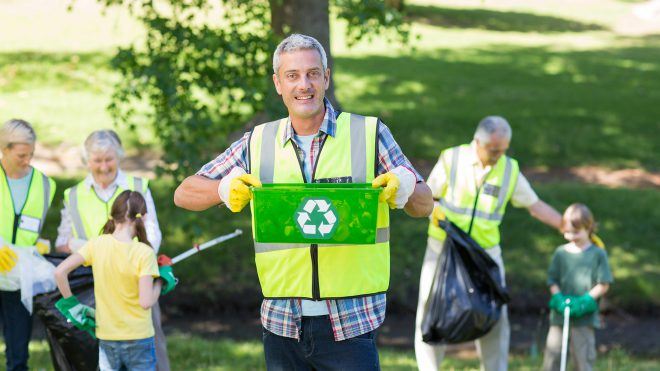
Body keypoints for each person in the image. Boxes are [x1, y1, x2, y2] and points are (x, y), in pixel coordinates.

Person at [174, 33, 433, 370]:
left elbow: (425, 205)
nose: (303, 85)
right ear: (277, 83)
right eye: (292, 76)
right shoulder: (258, 142)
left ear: (327, 77)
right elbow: (184, 193)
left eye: (312, 73)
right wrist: (222, 189)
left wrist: (406, 187)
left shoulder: (368, 134)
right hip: (282, 323)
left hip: (351, 323)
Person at [415, 116, 563, 371]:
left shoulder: (508, 169)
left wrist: (566, 225)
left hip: (485, 256)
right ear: (477, 142)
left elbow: (534, 205)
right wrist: (434, 212)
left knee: (495, 316)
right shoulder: (452, 159)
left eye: (503, 150)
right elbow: (428, 196)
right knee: (430, 309)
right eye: (494, 150)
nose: (498, 155)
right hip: (445, 250)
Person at [55, 130, 171, 370]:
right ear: (87, 161)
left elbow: (153, 230)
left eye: (109, 159)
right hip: (100, 283)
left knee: (153, 341)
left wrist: (138, 261)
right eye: (97, 161)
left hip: (139, 276)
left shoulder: (137, 185)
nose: (104, 167)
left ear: (119, 157)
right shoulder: (74, 195)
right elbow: (62, 241)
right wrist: (89, 249)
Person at [0, 119, 56, 371]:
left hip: (19, 279)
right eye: (21, 155)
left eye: (31, 154)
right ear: (5, 149)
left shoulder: (45, 185)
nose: (27, 160)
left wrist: (38, 245)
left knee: (18, 354)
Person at [542, 203, 613, 371]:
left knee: (583, 359)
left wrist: (586, 299)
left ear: (589, 228)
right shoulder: (561, 253)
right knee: (553, 357)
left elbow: (604, 284)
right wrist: (558, 297)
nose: (571, 236)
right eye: (567, 232)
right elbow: (552, 280)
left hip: (584, 317)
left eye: (576, 232)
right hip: (560, 315)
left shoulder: (597, 254)